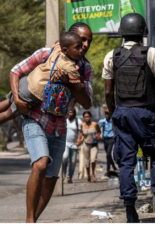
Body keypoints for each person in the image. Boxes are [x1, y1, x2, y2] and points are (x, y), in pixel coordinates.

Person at [7, 22, 93, 223]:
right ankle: (29, 220)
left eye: (89, 41)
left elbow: (87, 102)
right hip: (35, 120)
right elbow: (16, 70)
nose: (86, 45)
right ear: (69, 40)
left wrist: (71, 84)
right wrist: (18, 100)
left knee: (52, 178)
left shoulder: (85, 69)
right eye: (82, 40)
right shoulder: (47, 53)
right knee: (41, 164)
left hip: (59, 127)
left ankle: (34, 219)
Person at [103, 13, 155, 223]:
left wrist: (114, 112)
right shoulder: (151, 53)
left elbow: (108, 93)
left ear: (122, 33)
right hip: (145, 113)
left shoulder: (111, 56)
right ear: (143, 32)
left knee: (126, 163)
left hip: (122, 114)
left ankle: (130, 213)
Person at [0, 32, 84, 125]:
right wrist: (80, 81)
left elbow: (58, 42)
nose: (81, 50)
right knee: (7, 115)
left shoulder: (57, 49)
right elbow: (79, 87)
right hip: (31, 93)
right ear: (65, 50)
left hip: (26, 82)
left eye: (81, 46)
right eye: (77, 47)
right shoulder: (70, 66)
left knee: (7, 102)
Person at [76, 111, 101, 183]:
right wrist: (79, 140)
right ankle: (88, 177)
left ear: (90, 117)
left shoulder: (95, 124)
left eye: (88, 117)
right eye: (85, 117)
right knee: (86, 162)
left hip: (94, 145)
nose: (87, 118)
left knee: (93, 160)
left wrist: (97, 135)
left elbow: (99, 131)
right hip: (86, 145)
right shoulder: (82, 125)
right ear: (83, 118)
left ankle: (93, 174)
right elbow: (81, 134)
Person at [62, 108, 82, 183]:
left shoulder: (77, 121)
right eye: (69, 112)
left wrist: (79, 140)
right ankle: (63, 173)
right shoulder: (65, 120)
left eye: (72, 113)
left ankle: (69, 176)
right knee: (65, 157)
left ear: (74, 113)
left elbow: (81, 132)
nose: (70, 114)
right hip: (65, 142)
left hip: (74, 144)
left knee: (73, 161)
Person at [98, 109, 118, 177]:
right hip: (105, 139)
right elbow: (97, 128)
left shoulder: (113, 121)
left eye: (108, 113)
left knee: (108, 154)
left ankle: (108, 169)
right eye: (106, 113)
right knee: (108, 154)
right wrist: (96, 135)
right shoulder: (102, 121)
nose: (107, 115)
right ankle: (114, 166)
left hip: (111, 138)